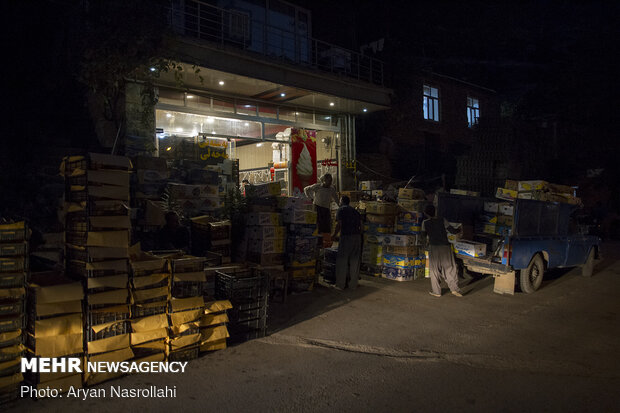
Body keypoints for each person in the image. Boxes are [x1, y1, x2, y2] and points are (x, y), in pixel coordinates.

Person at [421, 204, 464, 297]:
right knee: (450, 268)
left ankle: (436, 291)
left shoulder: (425, 223)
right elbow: (453, 231)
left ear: (425, 213)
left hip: (433, 248)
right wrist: (459, 229)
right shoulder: (442, 220)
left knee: (434, 270)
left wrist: (426, 243)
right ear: (435, 211)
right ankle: (454, 289)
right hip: (445, 247)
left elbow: (423, 236)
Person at [332, 195, 362, 290]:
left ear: (341, 201)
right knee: (354, 261)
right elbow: (361, 225)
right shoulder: (355, 211)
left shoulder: (341, 210)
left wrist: (334, 235)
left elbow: (339, 224)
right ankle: (353, 284)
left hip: (346, 237)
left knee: (342, 260)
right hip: (357, 237)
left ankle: (340, 284)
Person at [303, 173, 339, 247]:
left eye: (331, 181)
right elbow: (306, 189)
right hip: (317, 207)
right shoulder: (317, 186)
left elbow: (336, 198)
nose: (330, 182)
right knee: (317, 225)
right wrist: (310, 198)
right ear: (324, 180)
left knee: (326, 226)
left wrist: (340, 206)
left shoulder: (331, 189)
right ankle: (317, 242)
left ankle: (326, 242)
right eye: (328, 180)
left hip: (326, 209)